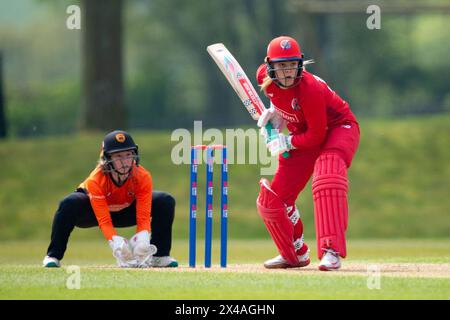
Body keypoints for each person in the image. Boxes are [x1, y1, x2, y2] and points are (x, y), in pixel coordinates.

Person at [256, 36, 360, 271]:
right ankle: (295, 252)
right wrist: (276, 115)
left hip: (337, 128)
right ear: (270, 66)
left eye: (292, 64)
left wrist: (287, 141)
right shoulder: (262, 76)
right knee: (275, 200)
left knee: (327, 177)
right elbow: (284, 102)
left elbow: (316, 136)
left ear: (300, 63)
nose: (288, 71)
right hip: (303, 131)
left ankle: (331, 252)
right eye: (282, 66)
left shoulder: (309, 88)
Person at [42, 130, 178, 268]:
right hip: (93, 213)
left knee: (165, 201)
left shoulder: (143, 176)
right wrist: (115, 241)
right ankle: (53, 256)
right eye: (118, 156)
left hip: (126, 211)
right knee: (68, 203)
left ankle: (159, 256)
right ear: (107, 159)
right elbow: (104, 220)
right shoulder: (96, 180)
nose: (125, 162)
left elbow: (143, 217)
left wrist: (142, 238)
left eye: (128, 155)